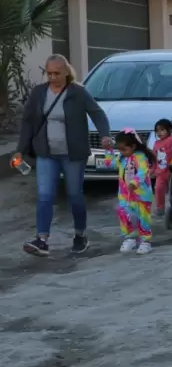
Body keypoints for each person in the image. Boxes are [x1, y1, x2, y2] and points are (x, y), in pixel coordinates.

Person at [17, 54, 111, 257]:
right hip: (46, 153)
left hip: (73, 154)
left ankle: (80, 235)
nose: (52, 77)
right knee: (44, 196)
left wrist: (105, 135)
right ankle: (42, 240)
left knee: (74, 194)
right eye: (48, 73)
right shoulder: (39, 93)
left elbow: (97, 113)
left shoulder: (78, 92)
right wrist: (21, 149)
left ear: (66, 71)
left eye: (56, 73)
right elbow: (27, 121)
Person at [105, 129, 156, 255]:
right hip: (125, 195)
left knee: (142, 217)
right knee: (123, 213)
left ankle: (145, 241)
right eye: (120, 149)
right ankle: (130, 237)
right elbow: (109, 164)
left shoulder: (141, 157)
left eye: (124, 149)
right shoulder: (122, 158)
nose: (121, 152)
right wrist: (108, 151)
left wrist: (134, 183)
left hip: (142, 195)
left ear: (133, 146)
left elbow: (143, 172)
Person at [153, 118, 172, 217]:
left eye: (162, 130)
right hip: (160, 172)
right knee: (158, 188)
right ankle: (160, 207)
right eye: (157, 130)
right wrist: (152, 169)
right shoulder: (156, 143)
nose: (159, 132)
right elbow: (153, 157)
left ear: (169, 130)